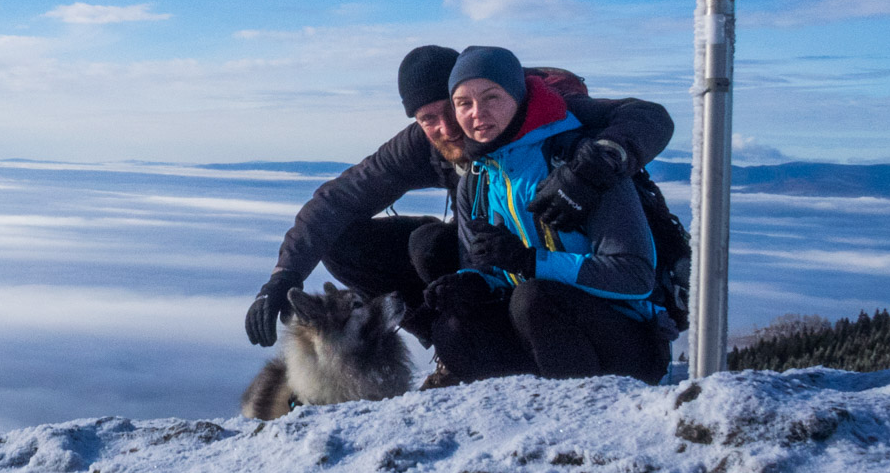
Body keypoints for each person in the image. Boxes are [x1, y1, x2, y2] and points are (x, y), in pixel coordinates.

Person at [245, 45, 675, 356]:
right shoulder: (424, 143)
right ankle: (452, 343)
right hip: (501, 261)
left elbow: (649, 116)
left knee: (454, 258)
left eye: (456, 109)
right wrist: (284, 277)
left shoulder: (551, 119)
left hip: (588, 279)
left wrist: (592, 169)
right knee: (369, 243)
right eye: (428, 118)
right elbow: (336, 202)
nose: (451, 127)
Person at [424, 46, 674, 385]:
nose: (477, 113)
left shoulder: (579, 163)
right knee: (454, 324)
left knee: (534, 298)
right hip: (544, 336)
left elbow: (633, 276)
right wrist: (472, 283)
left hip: (626, 341)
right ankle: (512, 422)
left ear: (518, 96)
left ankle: (586, 422)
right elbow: (491, 270)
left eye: (492, 97)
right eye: (464, 103)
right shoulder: (478, 178)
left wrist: (531, 262)